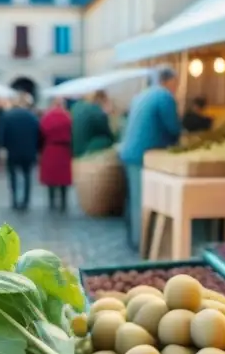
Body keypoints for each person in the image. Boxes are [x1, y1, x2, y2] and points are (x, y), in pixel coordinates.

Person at [119, 66, 182, 249]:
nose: (176, 87)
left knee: (133, 199)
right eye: (175, 83)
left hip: (129, 152)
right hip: (142, 154)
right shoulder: (164, 96)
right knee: (141, 200)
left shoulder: (143, 94)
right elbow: (173, 127)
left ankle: (134, 239)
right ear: (168, 80)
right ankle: (141, 243)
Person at [0, 93, 41, 210]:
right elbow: (38, 134)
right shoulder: (32, 116)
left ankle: (14, 200)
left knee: (13, 176)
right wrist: (37, 148)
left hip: (12, 151)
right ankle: (26, 201)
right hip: (28, 151)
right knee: (27, 176)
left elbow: (1, 134)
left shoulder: (7, 116)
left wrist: (2, 147)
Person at [39, 98, 73, 211]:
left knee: (51, 179)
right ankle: (63, 202)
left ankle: (52, 202)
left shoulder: (47, 117)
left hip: (50, 149)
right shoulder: (68, 117)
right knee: (63, 179)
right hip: (64, 150)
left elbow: (41, 134)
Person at [71, 90, 114, 158]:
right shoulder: (95, 110)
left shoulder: (74, 108)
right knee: (106, 140)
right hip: (86, 154)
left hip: (73, 153)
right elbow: (110, 137)